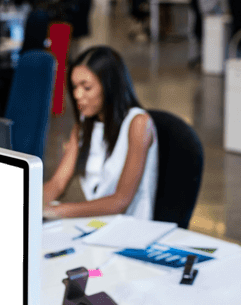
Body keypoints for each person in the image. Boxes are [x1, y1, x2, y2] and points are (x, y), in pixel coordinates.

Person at [42, 46, 159, 220]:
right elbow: (58, 182)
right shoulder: (84, 125)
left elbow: (120, 201)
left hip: (127, 227)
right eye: (74, 87)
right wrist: (30, 203)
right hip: (93, 223)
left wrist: (57, 211)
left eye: (87, 87)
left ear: (109, 86)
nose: (77, 95)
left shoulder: (139, 124)